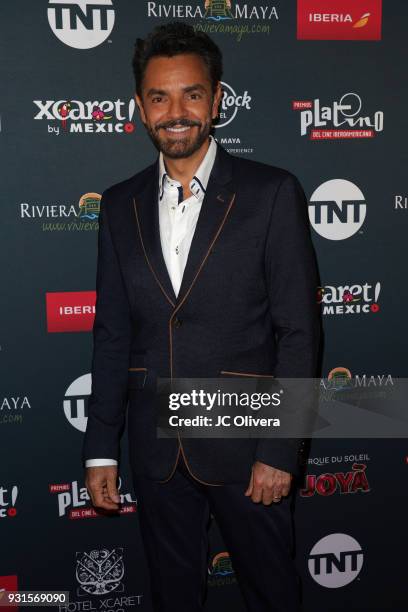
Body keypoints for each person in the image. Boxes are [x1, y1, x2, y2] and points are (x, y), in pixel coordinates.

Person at [83, 21, 320, 612]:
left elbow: (299, 332)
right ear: (140, 107)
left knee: (272, 594)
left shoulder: (271, 193)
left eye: (192, 93)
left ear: (216, 100)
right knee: (172, 597)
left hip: (248, 446)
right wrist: (100, 450)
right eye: (159, 97)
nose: (176, 111)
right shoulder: (119, 205)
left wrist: (278, 450)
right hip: (156, 449)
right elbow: (113, 333)